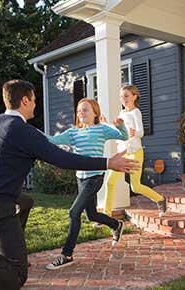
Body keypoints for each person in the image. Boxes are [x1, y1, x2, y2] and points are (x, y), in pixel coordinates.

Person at [0, 80, 139, 287]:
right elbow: (63, 159)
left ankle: (16, 250)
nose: (35, 104)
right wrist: (109, 162)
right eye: (34, 99)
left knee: (26, 202)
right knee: (16, 275)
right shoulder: (24, 131)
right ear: (24, 100)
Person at [44, 98, 128, 270]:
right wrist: (32, 132)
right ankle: (116, 224)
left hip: (94, 178)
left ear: (95, 113)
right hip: (80, 178)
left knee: (74, 212)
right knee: (92, 215)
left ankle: (66, 254)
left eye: (85, 110)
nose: (81, 113)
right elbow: (52, 140)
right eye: (79, 110)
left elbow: (124, 136)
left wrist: (120, 125)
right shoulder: (72, 133)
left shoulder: (101, 129)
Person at [104, 84, 167, 218]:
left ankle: (160, 199)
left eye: (126, 96)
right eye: (121, 96)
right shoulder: (121, 113)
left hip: (135, 152)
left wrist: (134, 132)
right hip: (122, 152)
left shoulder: (136, 112)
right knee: (110, 182)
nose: (123, 99)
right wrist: (105, 123)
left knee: (136, 187)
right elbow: (117, 130)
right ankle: (106, 214)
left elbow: (141, 132)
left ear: (134, 96)